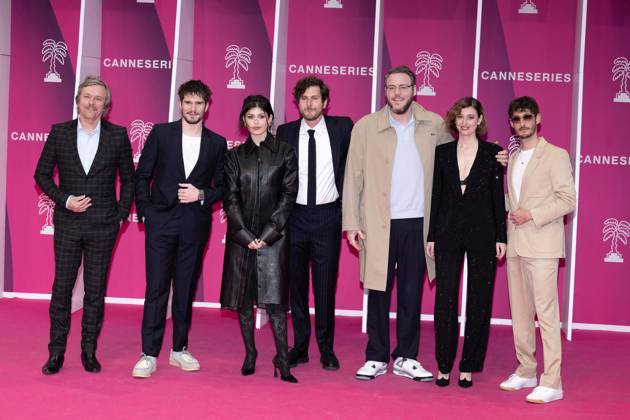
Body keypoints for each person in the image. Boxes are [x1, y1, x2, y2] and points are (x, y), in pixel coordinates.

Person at [343, 65, 508, 382]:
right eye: (391, 87)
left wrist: (496, 156)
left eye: (403, 87)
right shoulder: (365, 127)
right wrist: (351, 222)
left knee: (410, 292)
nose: (397, 93)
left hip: (419, 223)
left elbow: (465, 148)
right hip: (378, 222)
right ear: (386, 91)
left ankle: (406, 355)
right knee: (377, 289)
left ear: (415, 89)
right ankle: (376, 355)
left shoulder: (434, 124)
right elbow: (353, 177)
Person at [34, 76, 134, 374]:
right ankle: (56, 352)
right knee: (62, 288)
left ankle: (89, 351)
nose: (92, 103)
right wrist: (64, 200)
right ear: (78, 100)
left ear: (107, 106)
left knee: (95, 291)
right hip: (68, 222)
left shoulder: (117, 136)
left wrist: (120, 216)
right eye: (87, 97)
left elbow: (129, 179)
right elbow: (40, 175)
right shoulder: (60, 132)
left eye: (98, 98)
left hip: (104, 225)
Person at [132, 80, 227, 378]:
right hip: (161, 221)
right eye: (188, 102)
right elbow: (142, 175)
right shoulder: (161, 133)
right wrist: (146, 211)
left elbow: (223, 187)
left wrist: (201, 194)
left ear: (207, 107)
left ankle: (179, 349)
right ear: (180, 103)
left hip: (195, 224)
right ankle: (148, 353)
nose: (193, 108)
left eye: (199, 103)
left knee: (185, 289)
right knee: (157, 287)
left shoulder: (216, 142)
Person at [499, 96, 575, 404]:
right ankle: (527, 369)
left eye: (526, 117)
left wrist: (532, 214)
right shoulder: (513, 158)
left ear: (538, 119)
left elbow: (568, 200)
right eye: (516, 119)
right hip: (517, 243)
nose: (522, 123)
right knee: (520, 314)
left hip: (542, 244)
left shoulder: (556, 155)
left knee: (546, 314)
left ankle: (552, 380)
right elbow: (514, 200)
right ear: (511, 124)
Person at [426, 97, 507, 388]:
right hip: (447, 232)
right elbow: (436, 195)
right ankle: (444, 364)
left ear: (480, 120)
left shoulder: (494, 154)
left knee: (479, 300)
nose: (465, 122)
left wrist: (501, 236)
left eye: (471, 117)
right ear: (454, 120)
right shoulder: (442, 153)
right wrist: (431, 234)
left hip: (483, 232)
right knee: (445, 299)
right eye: (460, 117)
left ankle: (469, 364)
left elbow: (498, 199)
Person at [220, 95, 299, 383]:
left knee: (276, 304)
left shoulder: (285, 153)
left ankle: (282, 360)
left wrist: (266, 236)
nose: (256, 122)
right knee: (244, 302)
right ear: (244, 121)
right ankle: (250, 353)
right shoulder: (234, 156)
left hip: (274, 239)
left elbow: (288, 196)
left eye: (261, 116)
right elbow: (230, 198)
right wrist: (245, 236)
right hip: (242, 240)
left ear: (270, 119)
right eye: (250, 116)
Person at [276, 76, 353, 371]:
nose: (310, 104)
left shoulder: (343, 127)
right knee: (296, 286)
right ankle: (301, 346)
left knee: (324, 287)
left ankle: (326, 348)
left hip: (327, 217)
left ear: (325, 102)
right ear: (297, 103)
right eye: (304, 99)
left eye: (315, 98)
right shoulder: (284, 132)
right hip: (294, 217)